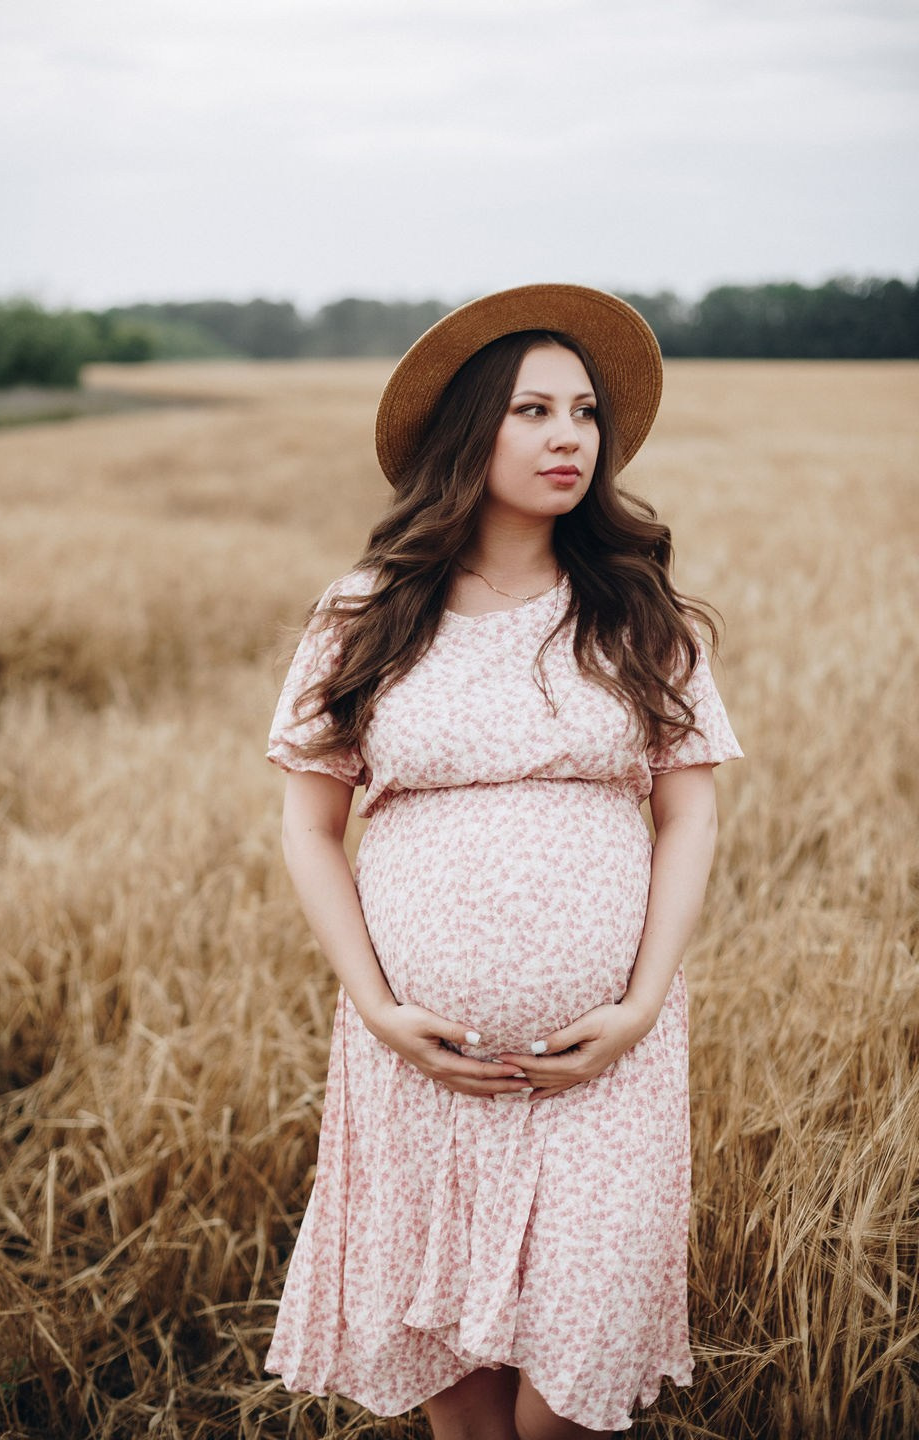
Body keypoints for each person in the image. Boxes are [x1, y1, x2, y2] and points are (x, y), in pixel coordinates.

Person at [263, 284, 743, 1439]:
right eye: (531, 409)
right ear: (466, 430)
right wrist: (376, 1008)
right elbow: (309, 825)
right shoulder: (367, 611)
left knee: (562, 1406)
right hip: (419, 1065)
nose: (567, 435)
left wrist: (636, 1006)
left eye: (582, 412)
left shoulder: (635, 610)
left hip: (607, 1064)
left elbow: (689, 816)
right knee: (466, 1412)